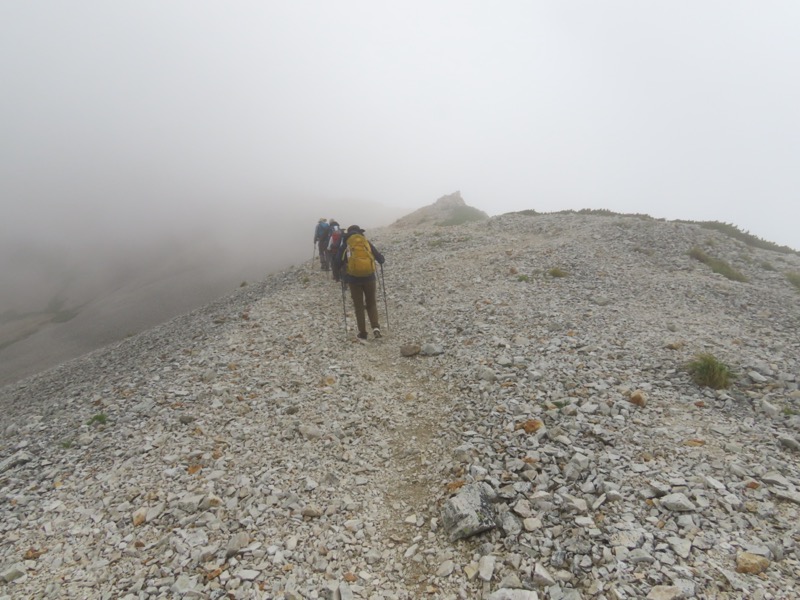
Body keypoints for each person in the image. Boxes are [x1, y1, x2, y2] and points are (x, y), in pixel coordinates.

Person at [335, 225, 385, 340]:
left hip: (353, 279)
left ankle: (363, 332)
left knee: (359, 306)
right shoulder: (365, 242)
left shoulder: (346, 244)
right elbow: (380, 259)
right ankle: (376, 328)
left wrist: (341, 273)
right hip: (369, 278)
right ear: (359, 232)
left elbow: (337, 262)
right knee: (371, 303)